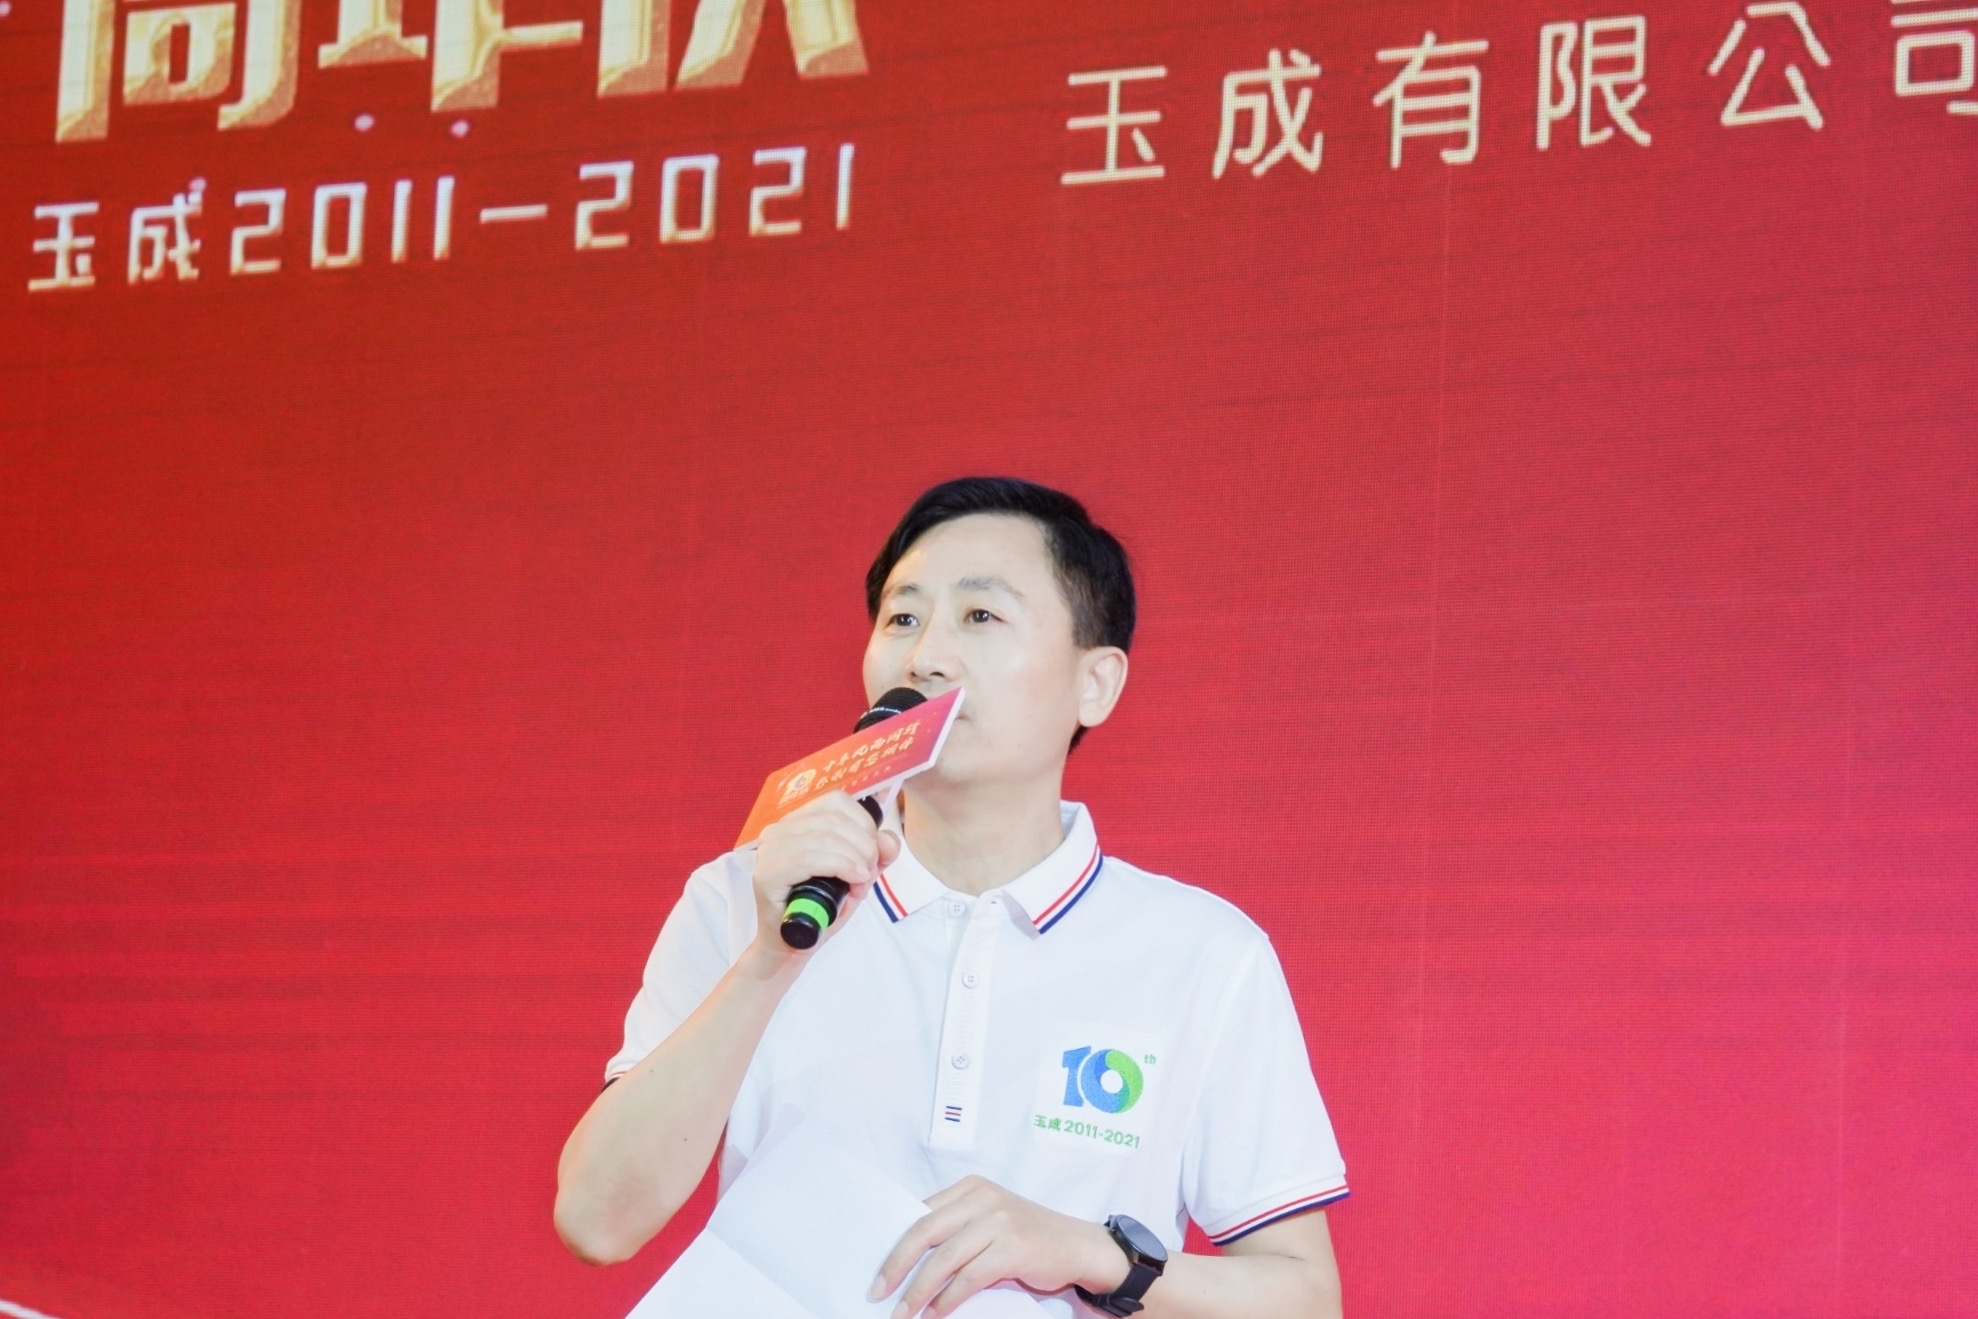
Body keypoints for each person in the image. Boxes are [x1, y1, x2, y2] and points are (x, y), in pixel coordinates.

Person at [555, 477, 1348, 1319]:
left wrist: (1086, 1251)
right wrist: (766, 963)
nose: (925, 657)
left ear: (1096, 683)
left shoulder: (1204, 953)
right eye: (902, 618)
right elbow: (596, 1221)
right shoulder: (746, 897)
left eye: (980, 615)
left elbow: (1304, 1299)